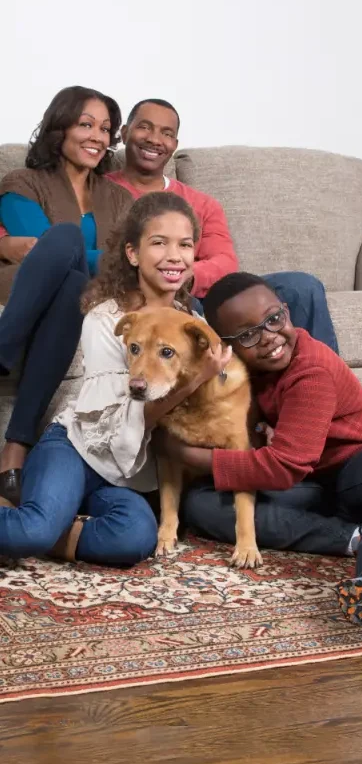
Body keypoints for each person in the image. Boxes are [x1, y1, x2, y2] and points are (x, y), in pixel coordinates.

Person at [0, 192, 230, 566]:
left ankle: (55, 530)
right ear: (133, 254)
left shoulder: (196, 326)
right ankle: (39, 528)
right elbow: (129, 411)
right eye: (159, 243)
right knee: (34, 529)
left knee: (134, 538)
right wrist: (195, 379)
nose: (175, 255)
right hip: (76, 449)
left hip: (126, 475)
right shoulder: (107, 318)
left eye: (185, 245)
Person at [154, 272, 362, 628]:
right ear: (226, 345)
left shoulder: (310, 368)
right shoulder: (242, 374)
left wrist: (182, 453)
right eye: (249, 334)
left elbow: (283, 467)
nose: (269, 338)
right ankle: (354, 537)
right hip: (314, 487)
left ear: (287, 311)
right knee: (202, 504)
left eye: (274, 319)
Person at [107, 98, 338, 351]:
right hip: (168, 297)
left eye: (167, 133)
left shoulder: (203, 203)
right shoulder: (102, 193)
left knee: (302, 287)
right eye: (145, 127)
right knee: (182, 306)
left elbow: (225, 263)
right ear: (125, 132)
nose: (154, 138)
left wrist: (185, 273)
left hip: (207, 292)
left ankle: (324, 383)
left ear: (174, 145)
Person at [0, 86, 133, 503]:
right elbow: (42, 252)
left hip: (84, 291)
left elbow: (127, 261)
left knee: (74, 281)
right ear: (60, 128)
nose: (98, 136)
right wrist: (95, 253)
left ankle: (14, 446)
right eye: (86, 124)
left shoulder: (119, 197)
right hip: (24, 284)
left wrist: (91, 256)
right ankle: (16, 448)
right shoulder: (22, 181)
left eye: (106, 129)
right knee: (64, 240)